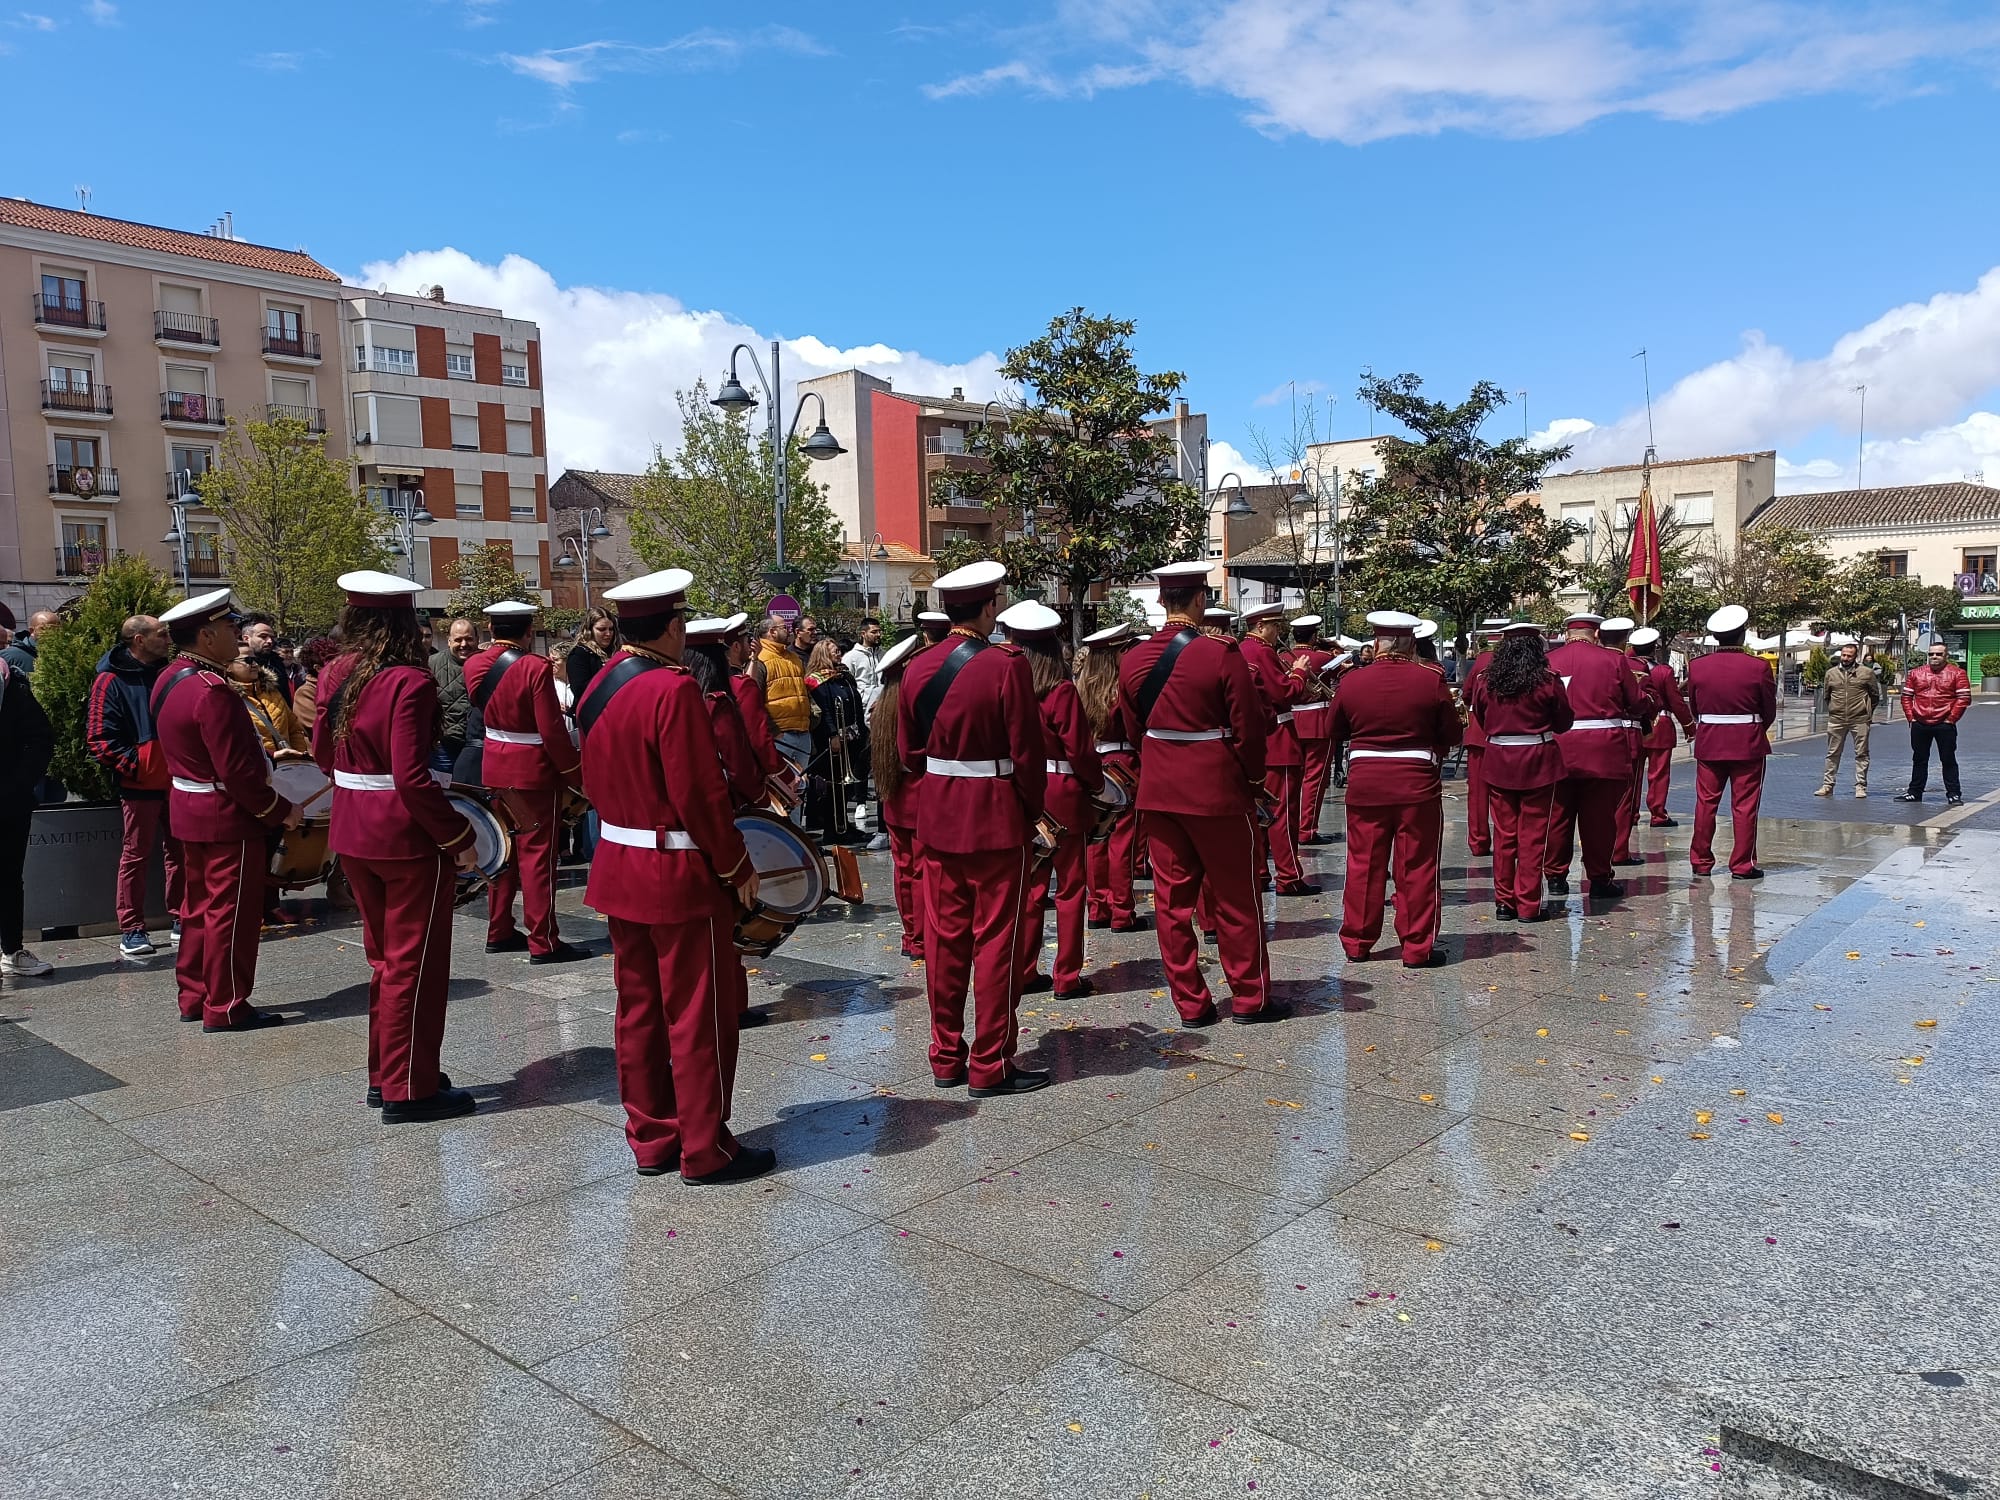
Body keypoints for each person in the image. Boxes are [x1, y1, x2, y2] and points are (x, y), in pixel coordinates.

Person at [582, 568, 771, 1182]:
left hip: (618, 863)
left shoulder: (600, 683)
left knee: (636, 1010)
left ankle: (651, 1138)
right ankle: (704, 1147)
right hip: (678, 869)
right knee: (697, 1014)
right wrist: (736, 863)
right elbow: (698, 793)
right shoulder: (673, 689)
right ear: (670, 627)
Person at [314, 571, 479, 1120]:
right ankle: (410, 1088)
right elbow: (412, 777)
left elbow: (322, 751)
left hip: (354, 829)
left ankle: (387, 1072)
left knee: (385, 962)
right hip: (405, 838)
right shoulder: (409, 681)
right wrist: (457, 837)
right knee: (417, 965)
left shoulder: (337, 669)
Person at [897, 559, 1051, 1094]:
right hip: (995, 816)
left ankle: (944, 1055)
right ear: (988, 607)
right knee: (995, 942)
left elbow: (908, 753)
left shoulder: (915, 668)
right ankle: (990, 1063)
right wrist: (1031, 809)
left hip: (937, 815)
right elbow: (1028, 754)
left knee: (943, 940)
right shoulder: (1008, 666)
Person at [1117, 559, 1278, 1025]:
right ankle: (1249, 997)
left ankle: (1191, 1003)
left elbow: (1133, 730)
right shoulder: (1220, 653)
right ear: (1200, 600)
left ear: (1162, 601)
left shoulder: (1133, 658)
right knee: (1235, 896)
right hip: (1217, 792)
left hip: (1161, 792)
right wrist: (1252, 781)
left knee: (1171, 903)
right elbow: (1249, 730)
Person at [153, 589, 301, 1029]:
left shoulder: (171, 677)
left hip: (189, 806)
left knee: (197, 908)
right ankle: (227, 1005)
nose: (237, 636)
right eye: (229, 629)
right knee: (231, 913)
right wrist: (280, 810)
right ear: (205, 635)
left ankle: (195, 995)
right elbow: (236, 772)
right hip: (225, 814)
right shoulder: (212, 689)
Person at [1328, 611, 1463, 967]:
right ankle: (1417, 947)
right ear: (1409, 642)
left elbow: (1335, 729)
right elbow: (1451, 733)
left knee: (1363, 864)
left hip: (1366, 783)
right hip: (1415, 783)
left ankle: (1357, 942)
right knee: (1416, 866)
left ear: (1376, 642)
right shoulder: (1429, 680)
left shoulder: (1353, 682)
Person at [465, 600, 589, 964]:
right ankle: (543, 940)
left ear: (491, 630)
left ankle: (499, 929)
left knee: (503, 851)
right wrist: (575, 775)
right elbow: (551, 731)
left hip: (494, 767)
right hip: (532, 771)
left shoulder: (474, 664)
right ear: (528, 632)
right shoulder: (535, 668)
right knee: (537, 858)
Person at [1000, 601, 1103, 1001]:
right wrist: (1097, 785)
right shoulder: (1061, 690)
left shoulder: (1008, 683)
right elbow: (1080, 751)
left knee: (1031, 887)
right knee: (1072, 888)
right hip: (1064, 792)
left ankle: (1025, 970)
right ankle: (1067, 975)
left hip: (1025, 792)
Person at [685, 612, 773, 1031]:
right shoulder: (717, 699)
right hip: (726, 812)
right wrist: (760, 800)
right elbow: (739, 763)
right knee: (732, 910)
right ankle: (733, 1001)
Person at [88, 615, 185, 959]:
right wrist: (140, 766)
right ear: (139, 640)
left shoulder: (169, 672)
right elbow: (99, 737)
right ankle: (131, 928)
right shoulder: (109, 680)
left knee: (181, 853)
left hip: (178, 779)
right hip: (140, 783)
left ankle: (182, 919)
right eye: (161, 634)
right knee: (136, 855)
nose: (167, 638)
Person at [1469, 622, 1571, 921]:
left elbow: (1483, 719)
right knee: (1533, 836)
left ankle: (1504, 902)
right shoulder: (1548, 681)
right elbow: (1563, 722)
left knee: (1504, 835)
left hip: (1500, 758)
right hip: (1538, 759)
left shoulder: (1487, 680)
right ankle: (1527, 904)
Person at [1543, 611, 1648, 903]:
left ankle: (1555, 876)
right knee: (1600, 818)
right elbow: (1636, 703)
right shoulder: (1614, 660)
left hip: (1559, 747)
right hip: (1602, 751)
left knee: (1558, 816)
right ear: (1597, 634)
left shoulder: (1549, 661)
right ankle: (1599, 878)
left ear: (1567, 634)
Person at [1686, 604, 1778, 879]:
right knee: (1745, 805)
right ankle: (1742, 864)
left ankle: (1700, 861)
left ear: (1716, 637)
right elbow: (1768, 710)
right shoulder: (1758, 667)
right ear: (1743, 635)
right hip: (1747, 742)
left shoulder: (1697, 666)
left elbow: (1695, 706)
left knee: (1705, 804)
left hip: (1710, 740)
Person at [1239, 602, 1318, 896]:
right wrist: (1298, 673)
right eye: (1275, 627)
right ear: (1260, 626)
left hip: (1260, 742)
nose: (1278, 633)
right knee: (1282, 812)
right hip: (1279, 740)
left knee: (1259, 812)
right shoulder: (1261, 651)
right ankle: (1289, 876)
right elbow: (1284, 694)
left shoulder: (1243, 650)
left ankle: (1259, 871)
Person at [1079, 623, 1147, 933]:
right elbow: (1135, 729)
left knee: (1096, 839)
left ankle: (1097, 907)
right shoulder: (1123, 686)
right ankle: (1122, 911)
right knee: (1122, 840)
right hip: (1124, 761)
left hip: (1093, 761)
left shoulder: (1081, 687)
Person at [869, 633, 928, 959]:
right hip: (918, 795)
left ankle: (911, 937)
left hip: (894, 797)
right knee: (921, 872)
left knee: (903, 871)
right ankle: (922, 937)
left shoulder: (881, 709)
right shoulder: (913, 706)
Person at [0, 650, 55, 980]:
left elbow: (40, 738)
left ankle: (11, 949)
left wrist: (18, 785)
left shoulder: (11, 683)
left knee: (7, 876)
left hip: (7, 801)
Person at [1597, 617, 1661, 867]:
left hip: (1595, 736)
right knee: (1624, 799)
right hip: (1628, 735)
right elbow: (1643, 702)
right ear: (1625, 641)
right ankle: (1618, 851)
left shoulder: (1593, 663)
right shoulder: (1631, 668)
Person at [805, 638, 868, 844]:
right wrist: (833, 734)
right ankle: (833, 828)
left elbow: (855, 702)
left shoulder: (844, 676)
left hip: (852, 735)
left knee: (846, 785)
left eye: (839, 651)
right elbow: (825, 711)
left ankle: (844, 824)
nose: (839, 654)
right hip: (831, 738)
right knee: (834, 785)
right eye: (834, 652)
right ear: (823, 654)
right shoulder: (817, 680)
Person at [1894, 642, 1970, 806]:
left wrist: (1951, 719)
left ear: (1946, 656)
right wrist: (1911, 717)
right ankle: (1915, 792)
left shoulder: (1958, 674)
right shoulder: (1916, 673)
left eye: (1938, 654)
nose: (1934, 657)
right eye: (1931, 654)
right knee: (1919, 759)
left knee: (1948, 759)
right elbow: (1906, 697)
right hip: (1919, 723)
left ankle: (1954, 794)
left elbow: (1964, 698)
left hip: (1944, 723)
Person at [1631, 627, 1693, 826]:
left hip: (1633, 726)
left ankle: (1630, 813)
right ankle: (1658, 814)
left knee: (1634, 773)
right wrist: (1689, 726)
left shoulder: (1625, 668)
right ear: (1654, 649)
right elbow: (1676, 703)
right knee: (1658, 773)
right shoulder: (1663, 671)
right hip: (1660, 724)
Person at [1286, 616, 1339, 846]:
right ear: (1314, 636)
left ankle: (1289, 827)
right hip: (1318, 721)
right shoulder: (1326, 658)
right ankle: (1307, 829)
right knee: (1314, 780)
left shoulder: (1282, 657)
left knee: (1292, 780)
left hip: (1291, 721)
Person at [1457, 620, 1508, 857]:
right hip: (1506, 735)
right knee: (1505, 794)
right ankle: (1506, 841)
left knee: (1478, 793)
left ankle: (1478, 841)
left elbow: (1467, 695)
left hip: (1478, 734)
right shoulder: (1515, 661)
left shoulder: (1481, 661)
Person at [754, 616, 813, 798]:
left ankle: (796, 827)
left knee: (798, 791)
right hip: (781, 737)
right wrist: (774, 731)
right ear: (772, 632)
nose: (789, 630)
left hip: (802, 733)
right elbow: (754, 701)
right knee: (779, 792)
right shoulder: (760, 660)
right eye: (784, 627)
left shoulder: (794, 658)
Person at [431, 617, 477, 767]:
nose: (464, 644)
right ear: (449, 641)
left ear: (476, 639)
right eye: (458, 640)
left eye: (469, 639)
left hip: (477, 746)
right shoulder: (432, 664)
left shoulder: (488, 663)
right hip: (444, 747)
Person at [237, 612, 293, 706]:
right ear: (246, 638)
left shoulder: (277, 663)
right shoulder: (237, 665)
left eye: (272, 637)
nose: (270, 641)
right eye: (263, 636)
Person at [567, 608, 619, 703]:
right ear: (589, 630)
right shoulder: (579, 654)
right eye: (602, 629)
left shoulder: (616, 651)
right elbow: (580, 689)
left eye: (611, 629)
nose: (608, 634)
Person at [1, 608, 58, 677]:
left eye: (57, 629)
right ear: (31, 630)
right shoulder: (8, 656)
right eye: (44, 628)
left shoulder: (64, 655)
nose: (52, 632)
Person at [844, 618, 885, 711]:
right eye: (874, 632)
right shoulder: (851, 657)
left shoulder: (884, 655)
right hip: (862, 707)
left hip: (882, 704)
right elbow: (846, 685)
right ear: (863, 634)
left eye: (879, 631)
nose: (878, 635)